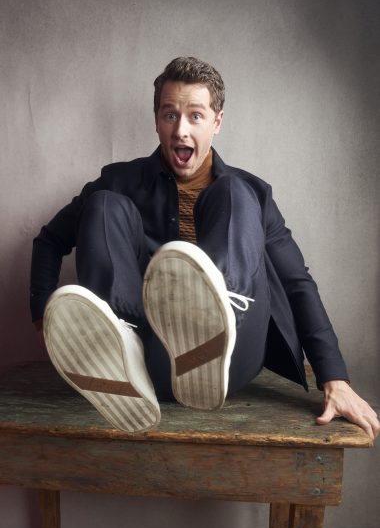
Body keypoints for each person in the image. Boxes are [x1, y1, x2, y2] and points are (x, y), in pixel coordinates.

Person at [30, 57, 379, 440]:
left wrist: (335, 377)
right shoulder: (118, 180)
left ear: (217, 122)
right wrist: (44, 316)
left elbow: (297, 283)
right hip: (144, 359)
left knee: (235, 193)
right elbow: (50, 240)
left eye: (195, 116)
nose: (180, 130)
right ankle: (123, 341)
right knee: (104, 204)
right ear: (157, 120)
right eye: (169, 115)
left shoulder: (253, 195)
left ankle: (213, 323)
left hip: (230, 357)